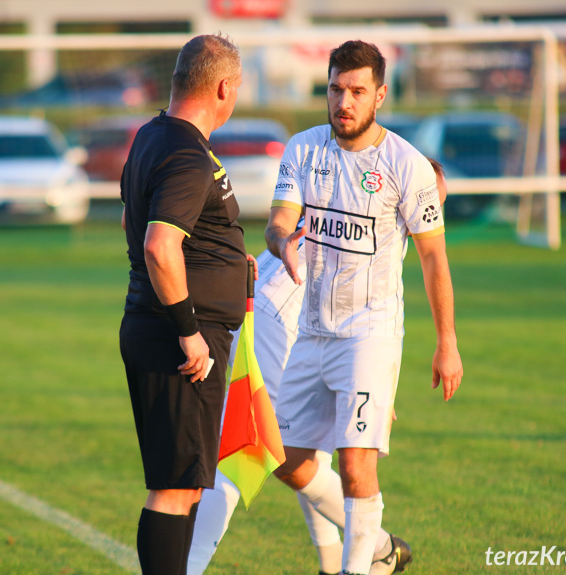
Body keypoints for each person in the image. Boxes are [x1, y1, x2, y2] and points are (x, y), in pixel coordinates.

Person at [188, 160, 448, 575]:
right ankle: (375, 547)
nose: (429, 215)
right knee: (243, 452)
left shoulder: (360, 184)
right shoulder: (376, 214)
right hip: (281, 314)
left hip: (257, 297)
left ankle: (348, 559)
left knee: (299, 448)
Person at [265, 40, 463, 575]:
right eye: (335, 90)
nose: (343, 102)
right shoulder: (303, 149)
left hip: (370, 334)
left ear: (379, 95)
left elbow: (433, 260)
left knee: (356, 465)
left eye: (356, 91)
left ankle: (354, 569)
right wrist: (283, 242)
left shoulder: (407, 165)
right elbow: (278, 220)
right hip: (312, 330)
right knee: (283, 459)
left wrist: (446, 343)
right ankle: (378, 549)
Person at [118, 34, 248, 575]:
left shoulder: (153, 135)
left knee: (187, 485)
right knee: (173, 489)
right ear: (223, 87)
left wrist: (230, 261)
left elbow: (134, 220)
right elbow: (157, 243)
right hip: (179, 342)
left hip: (160, 327)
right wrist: (188, 328)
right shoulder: (187, 153)